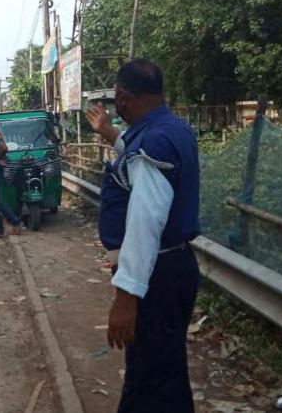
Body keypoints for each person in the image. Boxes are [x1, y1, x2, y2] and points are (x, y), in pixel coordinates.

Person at [84, 59, 200, 413]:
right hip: (174, 266)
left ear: (121, 97)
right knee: (164, 371)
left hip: (157, 274)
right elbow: (137, 161)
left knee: (150, 381)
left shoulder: (153, 142)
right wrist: (110, 134)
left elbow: (144, 223)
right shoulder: (170, 130)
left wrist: (127, 295)